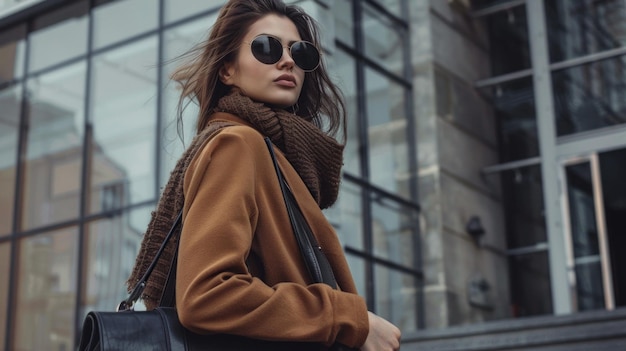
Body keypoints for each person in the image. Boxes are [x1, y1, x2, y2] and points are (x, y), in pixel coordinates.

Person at [127, 1, 401, 350]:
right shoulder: (238, 144)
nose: (287, 61)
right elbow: (206, 295)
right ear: (227, 70)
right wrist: (348, 319)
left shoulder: (275, 156)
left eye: (300, 53)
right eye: (267, 48)